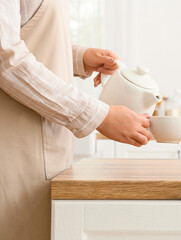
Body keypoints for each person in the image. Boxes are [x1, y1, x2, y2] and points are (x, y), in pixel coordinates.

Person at [0, 0, 152, 239]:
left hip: (41, 150)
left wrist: (77, 57)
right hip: (15, 151)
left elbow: (19, 36)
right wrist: (99, 115)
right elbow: (6, 58)